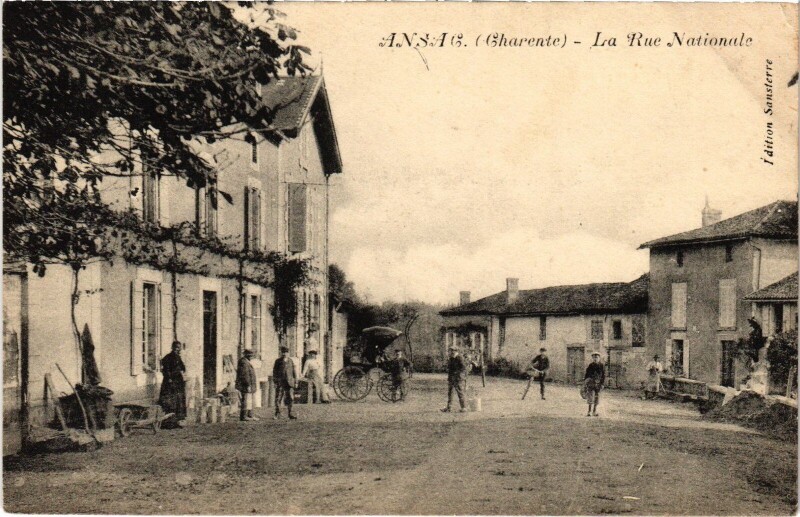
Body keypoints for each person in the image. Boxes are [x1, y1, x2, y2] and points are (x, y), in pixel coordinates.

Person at [159, 340, 187, 427]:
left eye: (179, 348)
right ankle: (168, 422)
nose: (178, 350)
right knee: (170, 401)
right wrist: (170, 379)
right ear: (173, 348)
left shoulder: (178, 357)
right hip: (170, 382)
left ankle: (178, 421)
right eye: (176, 348)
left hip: (178, 382)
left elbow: (183, 367)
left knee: (179, 401)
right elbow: (165, 370)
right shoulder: (167, 358)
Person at [273, 346, 298, 419]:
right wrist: (275, 382)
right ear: (281, 353)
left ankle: (290, 413)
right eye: (283, 352)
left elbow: (294, 372)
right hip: (280, 382)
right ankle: (277, 413)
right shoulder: (278, 361)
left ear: (288, 353)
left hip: (289, 383)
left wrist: (296, 382)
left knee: (290, 398)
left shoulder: (290, 361)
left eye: (286, 352)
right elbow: (274, 372)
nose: (284, 354)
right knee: (278, 398)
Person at [441, 346, 468, 413]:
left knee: (460, 392)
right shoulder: (451, 358)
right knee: (450, 393)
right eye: (450, 351)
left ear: (456, 351)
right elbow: (449, 368)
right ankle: (448, 408)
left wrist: (457, 374)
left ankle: (464, 407)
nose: (451, 352)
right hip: (451, 378)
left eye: (452, 351)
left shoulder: (460, 358)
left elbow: (463, 368)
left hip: (458, 378)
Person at [235, 349, 259, 422]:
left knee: (250, 401)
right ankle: (244, 416)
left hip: (250, 385)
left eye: (252, 356)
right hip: (246, 385)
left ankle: (250, 415)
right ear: (246, 356)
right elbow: (245, 375)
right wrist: (248, 385)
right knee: (246, 401)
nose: (251, 357)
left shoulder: (246, 362)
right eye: (250, 356)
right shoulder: (243, 362)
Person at [584, 351, 605, 417]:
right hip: (591, 383)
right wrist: (586, 382)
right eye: (594, 357)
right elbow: (587, 375)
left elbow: (603, 375)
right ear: (592, 358)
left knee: (597, 398)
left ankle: (594, 411)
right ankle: (589, 411)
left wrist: (602, 384)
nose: (595, 359)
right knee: (590, 397)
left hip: (598, 384)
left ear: (599, 358)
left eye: (597, 357)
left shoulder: (601, 366)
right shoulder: (590, 365)